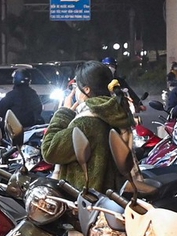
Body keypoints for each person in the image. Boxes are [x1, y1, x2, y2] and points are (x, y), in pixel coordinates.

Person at [42, 60, 136, 192]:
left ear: (86, 89)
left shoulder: (85, 122)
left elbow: (49, 151)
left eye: (76, 88)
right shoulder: (115, 111)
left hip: (86, 201)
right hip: (110, 196)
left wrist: (64, 112)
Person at [0, 67, 46, 138]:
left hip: (15, 128)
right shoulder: (33, 94)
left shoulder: (11, 95)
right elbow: (39, 108)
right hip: (30, 127)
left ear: (15, 79)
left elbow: (0, 110)